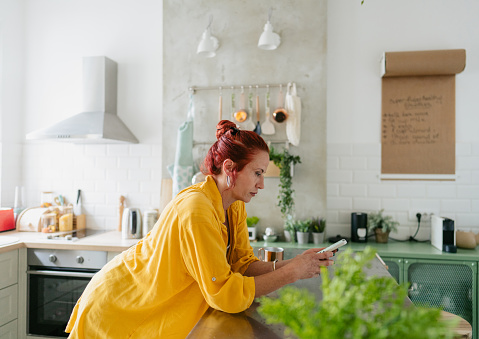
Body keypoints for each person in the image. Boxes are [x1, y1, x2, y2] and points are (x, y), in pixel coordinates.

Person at [65, 120, 334, 338]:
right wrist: (293, 273)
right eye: (258, 173)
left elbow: (241, 265)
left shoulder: (234, 204)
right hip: (120, 310)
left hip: (146, 306)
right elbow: (224, 295)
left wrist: (295, 262)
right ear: (230, 168)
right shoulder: (197, 210)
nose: (261, 184)